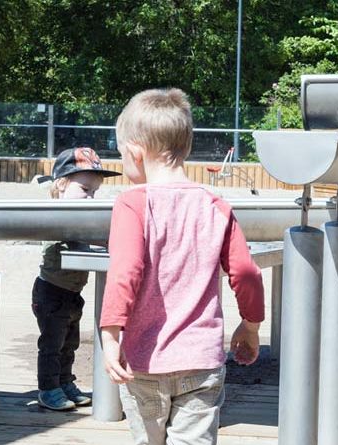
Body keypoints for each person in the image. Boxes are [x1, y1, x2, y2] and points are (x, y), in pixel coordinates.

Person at [100, 89, 265, 445]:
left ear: (135, 152)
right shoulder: (215, 205)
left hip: (144, 361)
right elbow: (246, 272)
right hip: (201, 360)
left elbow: (124, 271)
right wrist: (250, 326)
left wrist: (110, 334)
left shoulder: (132, 204)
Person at [33, 147, 121, 411]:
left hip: (72, 293)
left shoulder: (79, 215)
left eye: (94, 191)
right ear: (61, 184)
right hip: (51, 292)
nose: (91, 197)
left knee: (69, 344)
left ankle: (65, 382)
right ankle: (48, 388)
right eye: (85, 190)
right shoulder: (57, 212)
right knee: (51, 344)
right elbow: (70, 234)